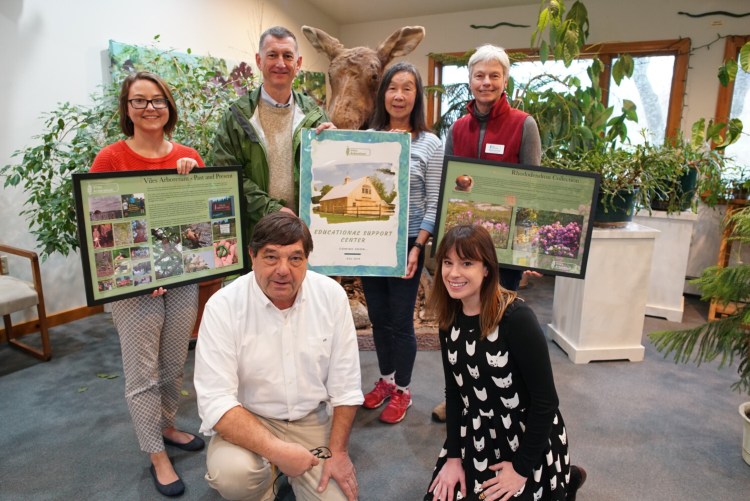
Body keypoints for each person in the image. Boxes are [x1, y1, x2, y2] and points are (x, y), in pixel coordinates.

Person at [90, 71, 205, 497]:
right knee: (142, 370)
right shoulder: (111, 159)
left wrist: (193, 180)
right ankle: (155, 451)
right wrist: (138, 273)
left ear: (168, 106)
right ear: (127, 109)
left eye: (157, 100)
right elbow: (102, 228)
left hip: (181, 278)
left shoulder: (189, 156)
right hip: (131, 285)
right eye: (139, 101)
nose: (150, 108)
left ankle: (169, 425)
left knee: (175, 361)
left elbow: (202, 227)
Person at [194, 212, 363, 501]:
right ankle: (266, 474)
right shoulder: (223, 306)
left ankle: (280, 466)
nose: (283, 270)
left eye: (295, 258)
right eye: (271, 257)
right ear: (252, 256)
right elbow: (216, 400)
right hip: (248, 420)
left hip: (309, 421)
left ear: (307, 260)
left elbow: (346, 387)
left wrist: (340, 453)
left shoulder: (331, 297)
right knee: (234, 476)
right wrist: (277, 450)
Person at [424, 224, 585, 501]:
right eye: (447, 263)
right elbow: (455, 393)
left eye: (467, 263)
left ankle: (563, 479)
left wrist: (520, 469)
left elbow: (545, 401)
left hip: (526, 438)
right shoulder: (449, 320)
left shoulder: (516, 318)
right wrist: (453, 459)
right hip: (475, 434)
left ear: (486, 268)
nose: (453, 273)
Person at [433, 43, 542, 423]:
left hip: (503, 248)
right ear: (469, 80)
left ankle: (506, 396)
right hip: (465, 246)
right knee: (461, 321)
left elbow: (534, 187)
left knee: (501, 318)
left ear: (505, 80)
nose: (486, 82)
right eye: (479, 75)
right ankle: (460, 396)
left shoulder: (523, 124)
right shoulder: (458, 128)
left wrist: (530, 249)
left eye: (494, 75)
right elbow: (449, 185)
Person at [359, 62, 444, 424]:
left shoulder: (431, 143)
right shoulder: (369, 136)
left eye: (407, 88)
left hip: (407, 241)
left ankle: (404, 391)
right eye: (393, 87)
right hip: (370, 237)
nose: (399, 95)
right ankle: (386, 379)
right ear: (383, 95)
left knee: (400, 320)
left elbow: (434, 201)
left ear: (417, 96)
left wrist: (418, 246)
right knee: (378, 318)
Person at [212, 26, 334, 238]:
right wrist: (272, 210)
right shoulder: (237, 117)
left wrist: (335, 145)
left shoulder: (315, 116)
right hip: (256, 231)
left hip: (305, 232)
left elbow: (331, 175)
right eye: (272, 55)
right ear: (259, 61)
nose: (280, 63)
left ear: (298, 63)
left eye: (287, 56)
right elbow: (226, 176)